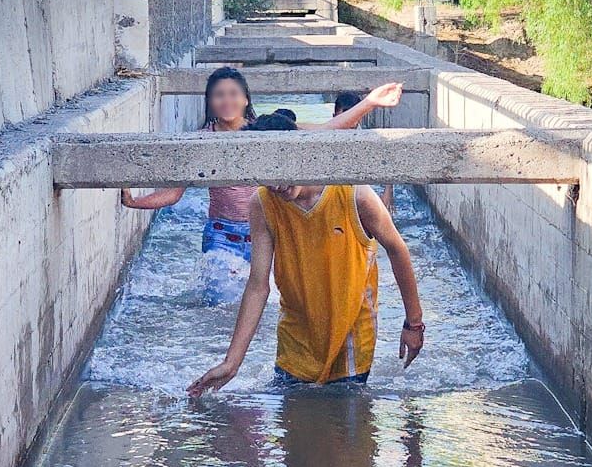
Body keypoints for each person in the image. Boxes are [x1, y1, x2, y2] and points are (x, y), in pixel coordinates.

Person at [121, 67, 404, 304]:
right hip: (222, 235)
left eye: (233, 94)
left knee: (270, 302)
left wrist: (370, 103)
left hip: (266, 232)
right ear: (209, 102)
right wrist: (135, 202)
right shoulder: (201, 141)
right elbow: (174, 193)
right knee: (218, 306)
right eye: (219, 95)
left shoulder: (265, 131)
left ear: (245, 99)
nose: (227, 101)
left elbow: (325, 130)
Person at [187, 114, 425, 395]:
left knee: (347, 416)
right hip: (295, 339)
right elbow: (258, 285)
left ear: (301, 156)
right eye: (267, 175)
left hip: (350, 339)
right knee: (293, 418)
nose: (277, 184)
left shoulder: (353, 194)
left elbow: (397, 249)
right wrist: (232, 362)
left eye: (282, 168)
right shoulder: (263, 203)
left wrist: (414, 323)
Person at [334, 91, 394, 213]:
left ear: (360, 117)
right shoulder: (326, 137)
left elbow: (386, 161)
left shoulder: (368, 139)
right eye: (344, 118)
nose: (350, 122)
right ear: (334, 117)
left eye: (354, 118)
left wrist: (388, 192)